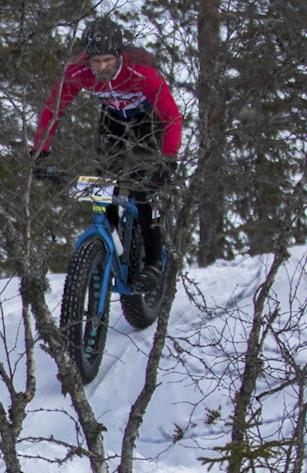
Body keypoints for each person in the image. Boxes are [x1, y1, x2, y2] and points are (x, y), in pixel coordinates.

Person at [31, 16, 183, 293]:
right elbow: (54, 109)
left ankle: (152, 263)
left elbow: (171, 117)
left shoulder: (141, 70)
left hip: (146, 121)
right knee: (104, 185)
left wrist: (168, 159)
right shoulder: (78, 71)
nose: (101, 68)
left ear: (118, 56)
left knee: (141, 189)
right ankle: (110, 244)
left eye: (107, 61)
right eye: (95, 62)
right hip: (112, 118)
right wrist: (39, 151)